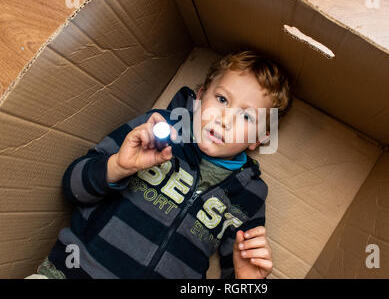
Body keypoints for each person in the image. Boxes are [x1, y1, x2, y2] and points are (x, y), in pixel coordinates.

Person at [25, 50, 292, 279]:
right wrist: (118, 166)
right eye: (221, 100)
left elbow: (237, 268)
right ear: (199, 98)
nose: (225, 119)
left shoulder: (251, 193)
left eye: (246, 116)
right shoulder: (156, 128)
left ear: (259, 139)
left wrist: (246, 280)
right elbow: (72, 187)